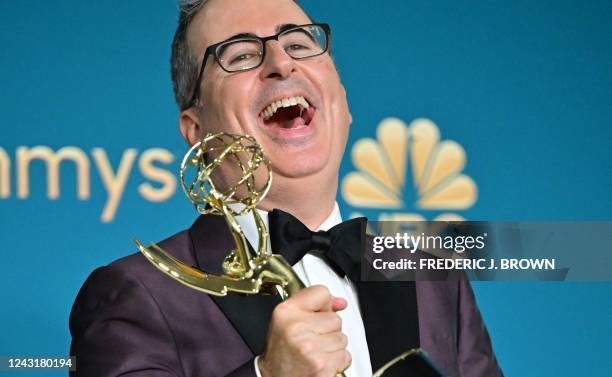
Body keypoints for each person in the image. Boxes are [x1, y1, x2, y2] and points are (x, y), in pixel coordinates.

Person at [69, 1, 502, 376]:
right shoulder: (132, 294)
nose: (282, 63)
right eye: (239, 55)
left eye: (297, 43)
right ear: (197, 132)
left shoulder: (436, 280)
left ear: (343, 104)